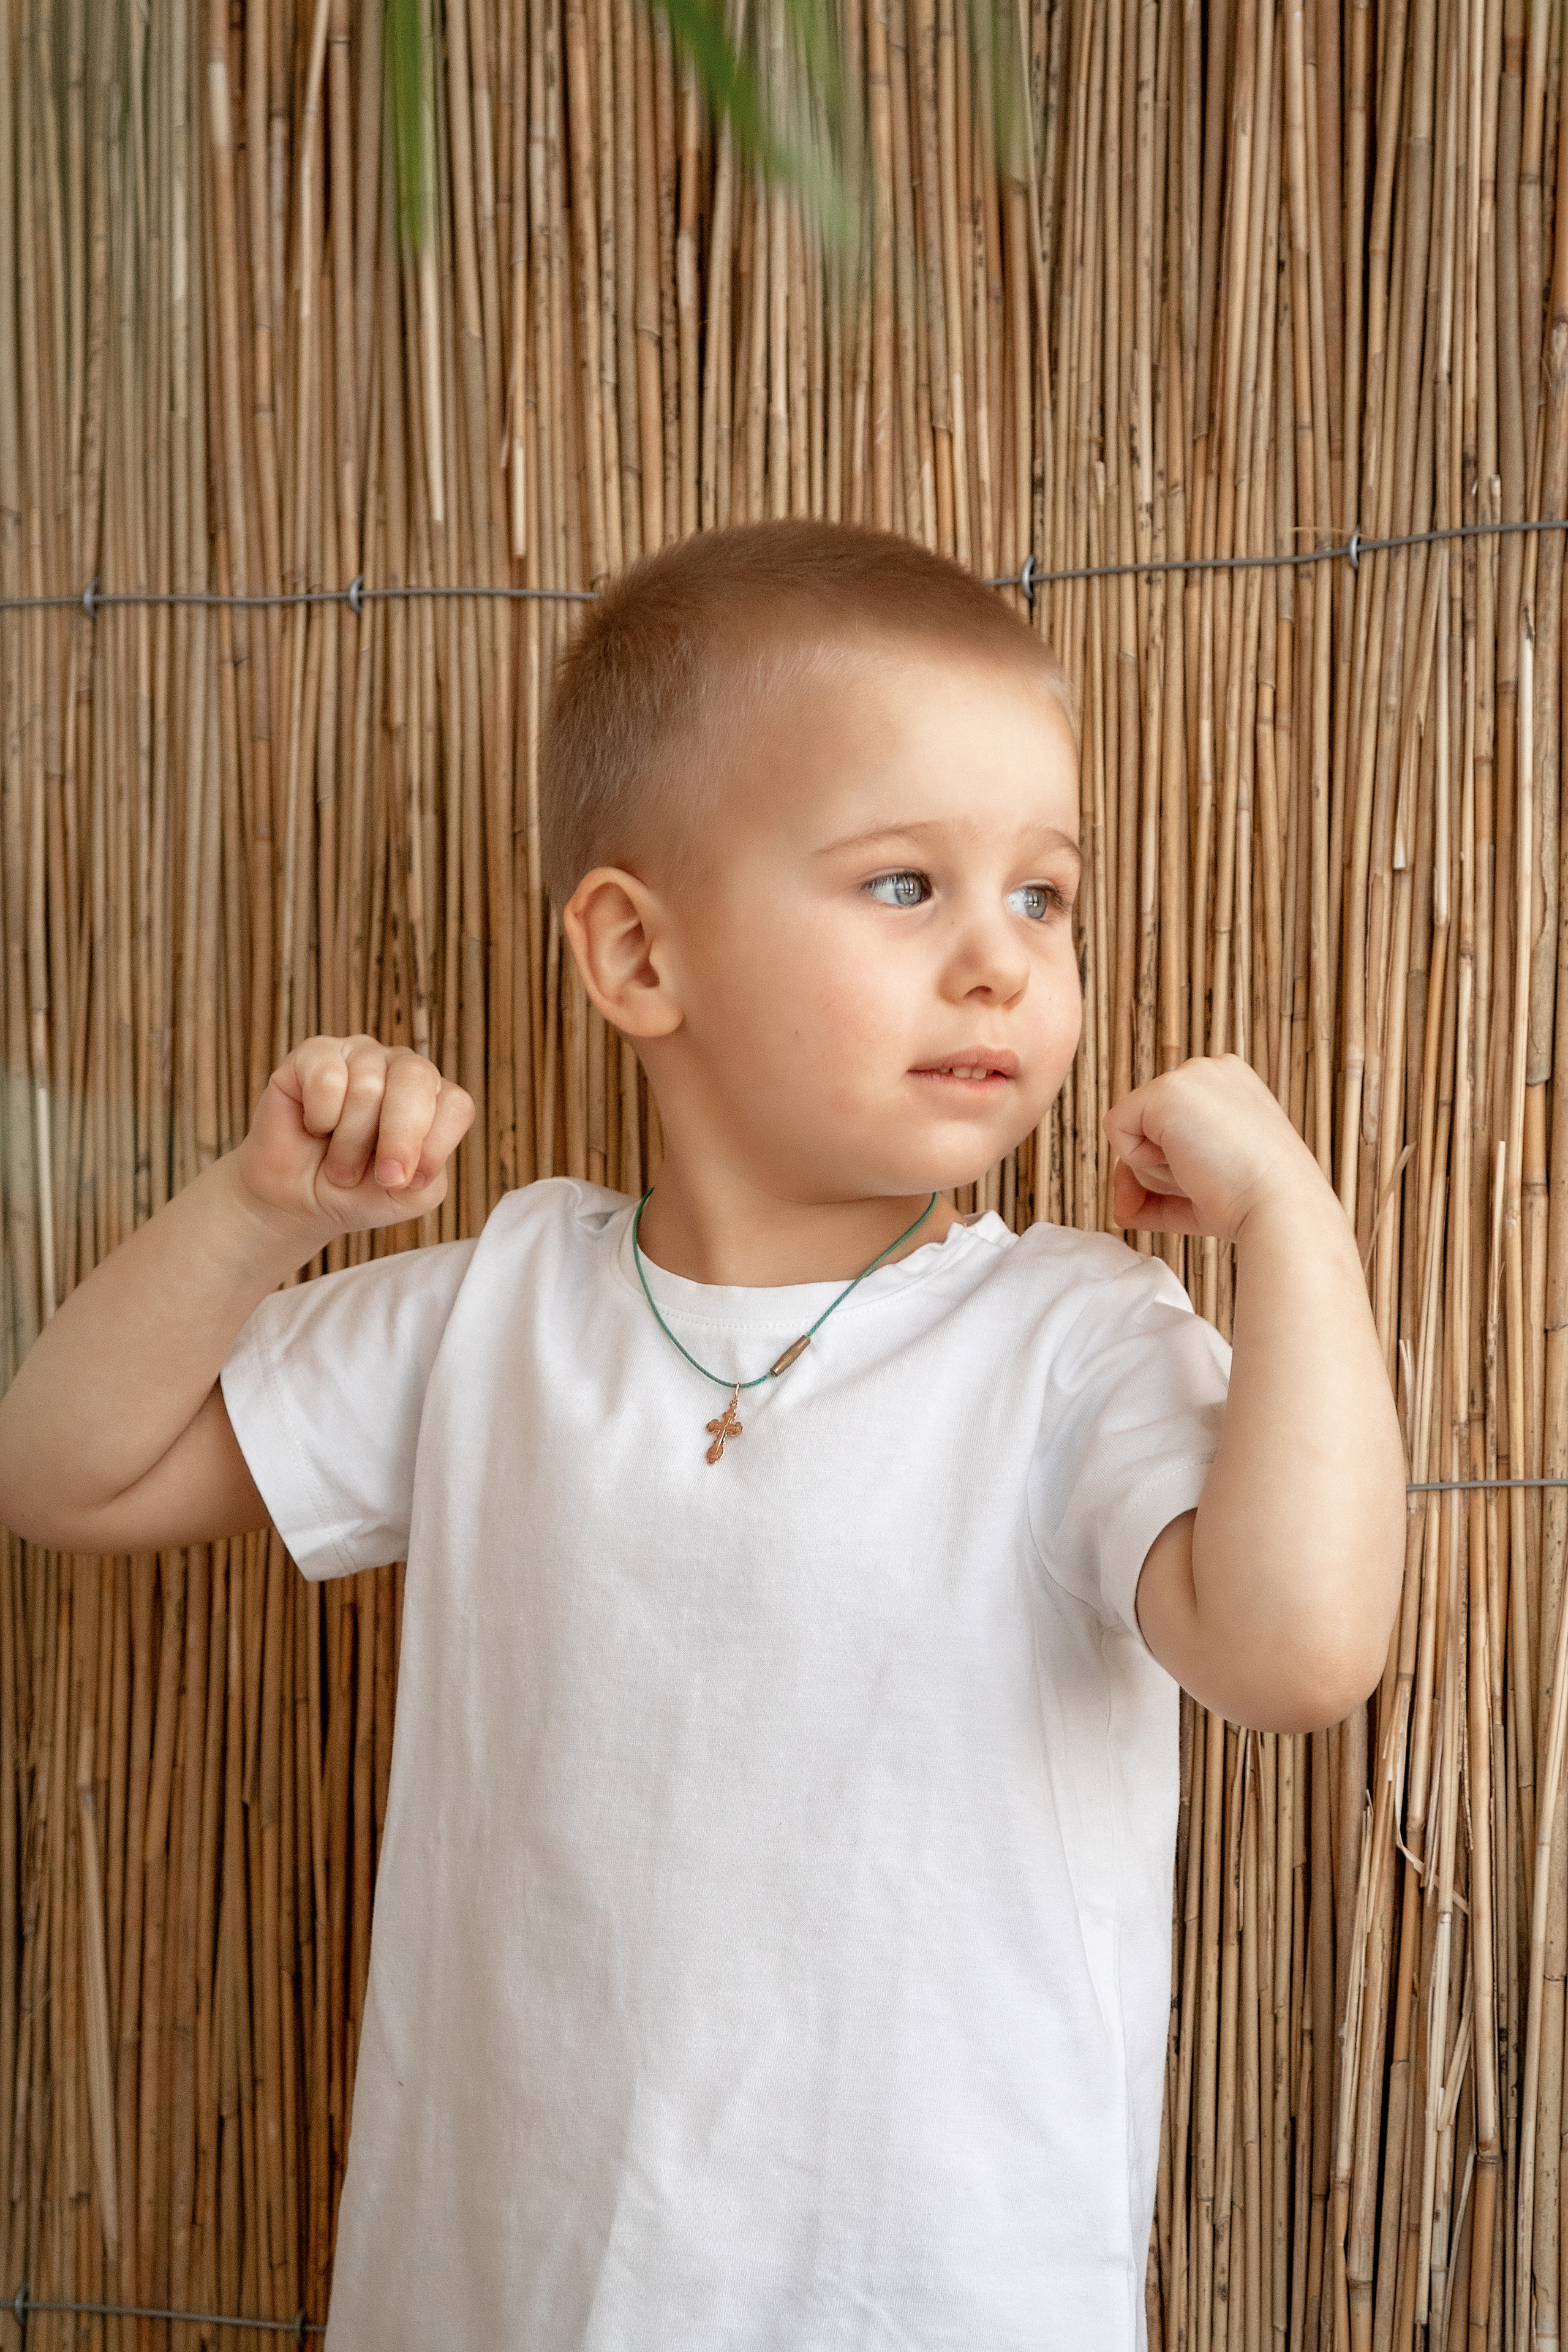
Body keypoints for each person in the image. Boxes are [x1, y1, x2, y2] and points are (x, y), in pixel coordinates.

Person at [0, 519, 1405, 2351]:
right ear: (637, 954)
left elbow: (1297, 1651)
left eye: (1043, 895)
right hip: (494, 2292)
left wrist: (1296, 1222)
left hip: (927, 2304)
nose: (1001, 961)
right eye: (906, 886)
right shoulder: (497, 1308)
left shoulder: (1069, 1339)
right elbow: (63, 1469)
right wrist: (262, 1211)